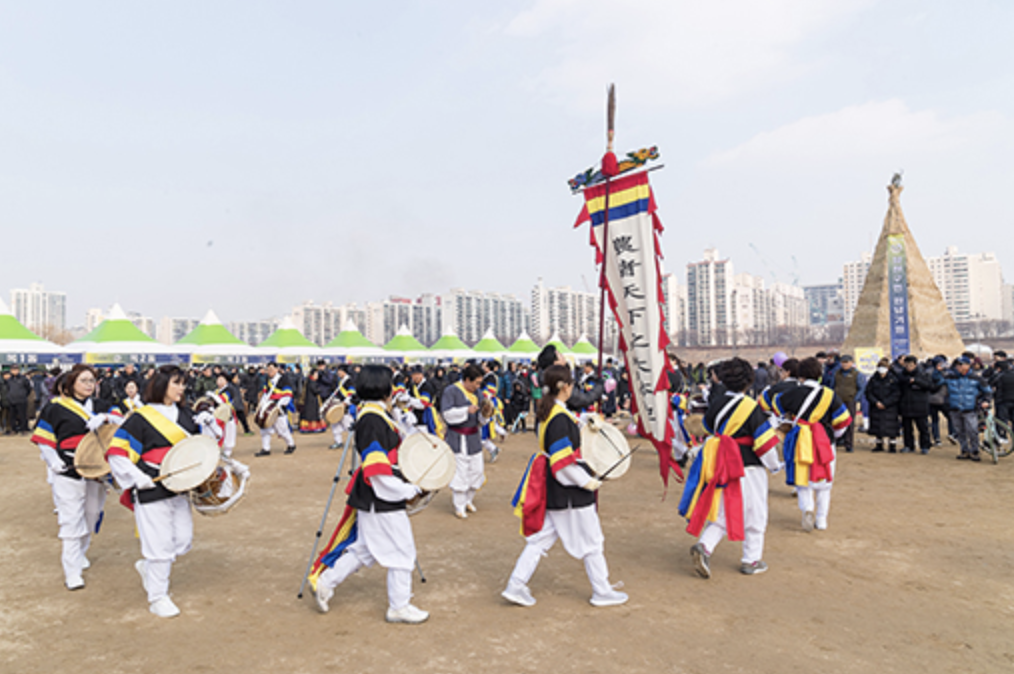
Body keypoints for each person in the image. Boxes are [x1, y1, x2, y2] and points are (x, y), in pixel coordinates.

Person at [502, 364, 628, 607]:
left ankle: (516, 584)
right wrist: (587, 482)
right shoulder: (558, 417)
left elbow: (560, 444)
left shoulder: (550, 412)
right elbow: (563, 465)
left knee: (539, 540)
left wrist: (583, 422)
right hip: (570, 491)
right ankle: (601, 590)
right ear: (566, 387)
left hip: (556, 489)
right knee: (592, 541)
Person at [313, 365, 428, 623]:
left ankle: (326, 582)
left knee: (364, 549)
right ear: (384, 389)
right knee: (402, 551)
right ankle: (399, 606)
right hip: (382, 496)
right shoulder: (372, 420)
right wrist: (408, 490)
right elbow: (377, 472)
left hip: (374, 495)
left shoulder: (373, 415)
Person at [107, 365, 219, 617]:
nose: (182, 388)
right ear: (161, 385)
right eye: (176, 383)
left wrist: (210, 427)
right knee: (159, 545)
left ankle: (148, 567)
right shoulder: (140, 417)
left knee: (182, 540)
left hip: (179, 486)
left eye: (183, 383)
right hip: (150, 485)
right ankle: (158, 596)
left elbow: (200, 450)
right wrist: (139, 478)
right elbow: (117, 452)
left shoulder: (185, 414)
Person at [679, 358, 781, 577]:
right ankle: (751, 560)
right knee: (756, 513)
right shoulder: (751, 408)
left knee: (725, 510)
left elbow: (706, 427)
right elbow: (764, 444)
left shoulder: (716, 402)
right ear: (749, 382)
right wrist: (774, 466)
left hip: (720, 463)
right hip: (748, 466)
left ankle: (705, 546)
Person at [31, 364, 125, 590]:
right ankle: (71, 571)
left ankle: (81, 553)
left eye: (92, 381)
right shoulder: (54, 407)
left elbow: (125, 422)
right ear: (70, 383)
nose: (89, 385)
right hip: (67, 470)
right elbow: (44, 439)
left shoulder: (103, 405)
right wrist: (54, 461)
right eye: (83, 380)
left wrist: (105, 417)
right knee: (71, 520)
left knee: (92, 516)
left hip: (97, 472)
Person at [773, 357, 852, 531]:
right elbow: (844, 420)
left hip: (799, 439)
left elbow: (776, 405)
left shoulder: (793, 393)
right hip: (824, 439)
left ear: (800, 375)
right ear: (819, 374)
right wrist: (833, 435)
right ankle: (822, 519)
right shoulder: (829, 394)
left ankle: (807, 509)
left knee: (803, 480)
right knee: (825, 483)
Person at [441, 364, 489, 518]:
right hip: (458, 438)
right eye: (476, 383)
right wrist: (465, 411)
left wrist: (486, 414)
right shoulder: (451, 391)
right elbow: (447, 414)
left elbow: (481, 419)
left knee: (476, 470)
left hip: (474, 437)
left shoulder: (479, 393)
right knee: (460, 471)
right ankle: (459, 505)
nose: (478, 386)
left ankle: (469, 499)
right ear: (467, 380)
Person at [945, 356, 992, 461]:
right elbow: (936, 384)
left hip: (970, 409)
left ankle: (975, 451)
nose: (959, 367)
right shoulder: (949, 377)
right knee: (959, 431)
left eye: (961, 364)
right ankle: (964, 450)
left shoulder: (977, 378)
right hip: (954, 408)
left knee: (972, 431)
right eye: (957, 365)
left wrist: (986, 401)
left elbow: (987, 391)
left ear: (968, 365)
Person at [254, 362, 297, 457]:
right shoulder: (267, 380)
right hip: (268, 408)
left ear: (277, 369)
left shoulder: (284, 379)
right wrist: (262, 405)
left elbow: (287, 395)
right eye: (268, 369)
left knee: (282, 430)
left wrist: (279, 406)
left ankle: (291, 444)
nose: (270, 371)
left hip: (279, 409)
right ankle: (266, 449)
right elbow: (265, 394)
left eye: (272, 369)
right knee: (265, 428)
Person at [898, 355, 934, 454]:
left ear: (915, 364)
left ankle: (925, 446)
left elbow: (930, 386)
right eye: (906, 365)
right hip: (906, 405)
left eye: (911, 365)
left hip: (920, 405)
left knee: (923, 428)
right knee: (907, 428)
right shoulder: (901, 375)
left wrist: (916, 381)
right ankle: (908, 445)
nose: (908, 367)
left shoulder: (923, 374)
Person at [866, 358, 901, 453]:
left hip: (890, 407)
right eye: (880, 367)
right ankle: (879, 445)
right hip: (876, 406)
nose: (882, 369)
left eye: (884, 367)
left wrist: (886, 403)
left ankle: (892, 446)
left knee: (891, 427)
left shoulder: (893, 379)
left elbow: (896, 394)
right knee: (877, 426)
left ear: (888, 368)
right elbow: (868, 392)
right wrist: (876, 402)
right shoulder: (873, 379)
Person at [832, 355, 865, 453]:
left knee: (850, 422)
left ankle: (849, 444)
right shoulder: (836, 373)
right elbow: (832, 385)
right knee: (836, 421)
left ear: (851, 363)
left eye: (847, 362)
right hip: (837, 401)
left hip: (850, 401)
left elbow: (861, 388)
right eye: (843, 362)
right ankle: (836, 441)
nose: (845, 364)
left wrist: (855, 399)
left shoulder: (857, 374)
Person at [7, 365, 32, 433]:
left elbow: (28, 388)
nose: (14, 371)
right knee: (12, 416)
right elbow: (7, 389)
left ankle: (23, 429)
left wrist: (23, 395)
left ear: (18, 370)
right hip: (11, 400)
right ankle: (14, 429)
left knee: (22, 415)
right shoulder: (9, 380)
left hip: (21, 400)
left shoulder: (23, 379)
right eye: (13, 370)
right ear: (11, 371)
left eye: (16, 369)